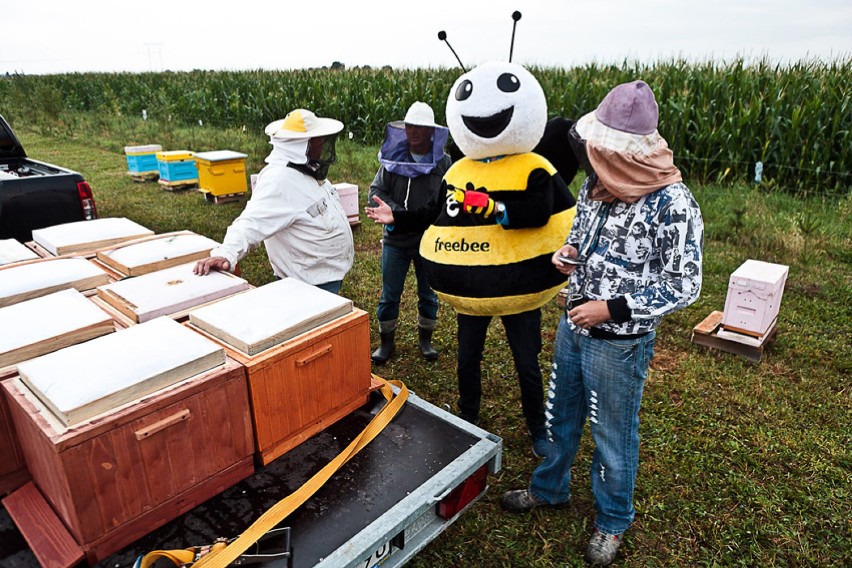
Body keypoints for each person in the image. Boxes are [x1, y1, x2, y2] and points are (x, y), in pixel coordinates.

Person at [500, 80, 704, 566]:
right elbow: (580, 236)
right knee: (560, 412)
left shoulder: (673, 205)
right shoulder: (596, 189)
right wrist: (569, 255)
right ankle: (549, 488)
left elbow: (684, 284)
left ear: (629, 156)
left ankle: (613, 520)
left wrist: (611, 308)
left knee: (613, 432)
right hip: (575, 323)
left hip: (619, 342)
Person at [418, 61, 577, 460]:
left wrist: (495, 208)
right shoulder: (458, 171)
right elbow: (433, 212)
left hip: (519, 287)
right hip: (472, 289)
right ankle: (468, 417)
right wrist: (398, 218)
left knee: (527, 364)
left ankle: (537, 428)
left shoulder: (535, 167)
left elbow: (539, 210)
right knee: (467, 359)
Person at [194, 109, 353, 294]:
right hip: (306, 286)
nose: (322, 145)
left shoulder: (307, 170)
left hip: (325, 276)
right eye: (317, 141)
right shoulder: (279, 180)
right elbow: (251, 222)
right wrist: (226, 253)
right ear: (302, 145)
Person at [365, 101, 452, 363]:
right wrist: (393, 213)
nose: (413, 131)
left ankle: (426, 340)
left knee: (428, 293)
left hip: (429, 240)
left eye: (419, 127)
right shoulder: (393, 158)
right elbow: (375, 191)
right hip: (396, 239)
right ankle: (386, 343)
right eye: (409, 126)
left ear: (431, 132)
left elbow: (448, 201)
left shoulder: (444, 163)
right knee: (390, 294)